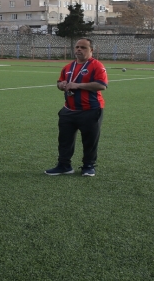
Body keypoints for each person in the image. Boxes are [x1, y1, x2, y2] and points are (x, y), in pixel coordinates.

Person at [45, 38, 108, 177]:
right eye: (77, 47)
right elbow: (59, 82)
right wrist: (61, 85)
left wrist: (77, 85)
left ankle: (88, 166)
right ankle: (64, 165)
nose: (79, 49)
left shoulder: (97, 66)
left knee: (89, 140)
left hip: (90, 110)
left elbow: (101, 85)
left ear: (91, 50)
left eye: (83, 47)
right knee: (64, 139)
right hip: (68, 110)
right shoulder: (68, 67)